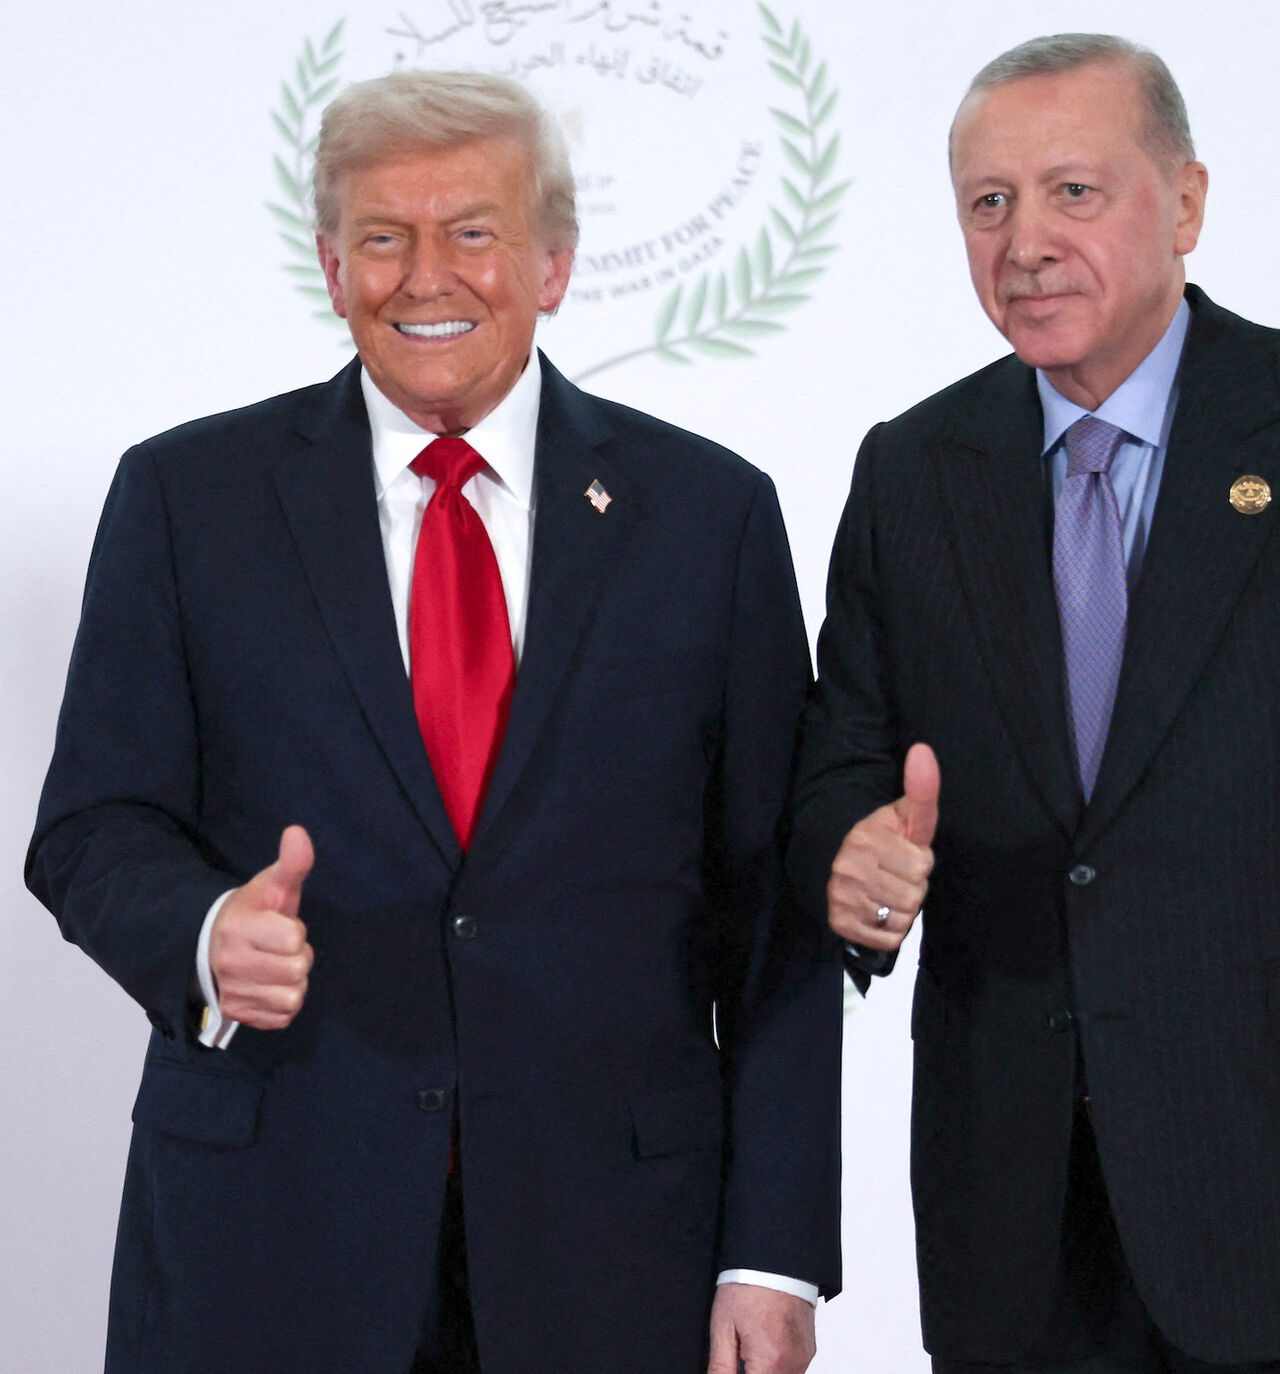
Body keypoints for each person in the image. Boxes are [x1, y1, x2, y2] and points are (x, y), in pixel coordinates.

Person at [27, 70, 841, 1374]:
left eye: (473, 231)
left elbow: (771, 907)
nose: (426, 277)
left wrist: (773, 1250)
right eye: (384, 237)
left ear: (553, 263)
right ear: (331, 261)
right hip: (271, 1228)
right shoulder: (189, 499)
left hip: (616, 1245)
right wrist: (203, 930)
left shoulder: (711, 516)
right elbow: (91, 825)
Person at [791, 32, 1280, 1374]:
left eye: (1075, 192)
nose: (1024, 242)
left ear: (1184, 201)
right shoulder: (912, 472)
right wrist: (853, 854)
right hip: (1013, 1222)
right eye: (988, 203)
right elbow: (844, 754)